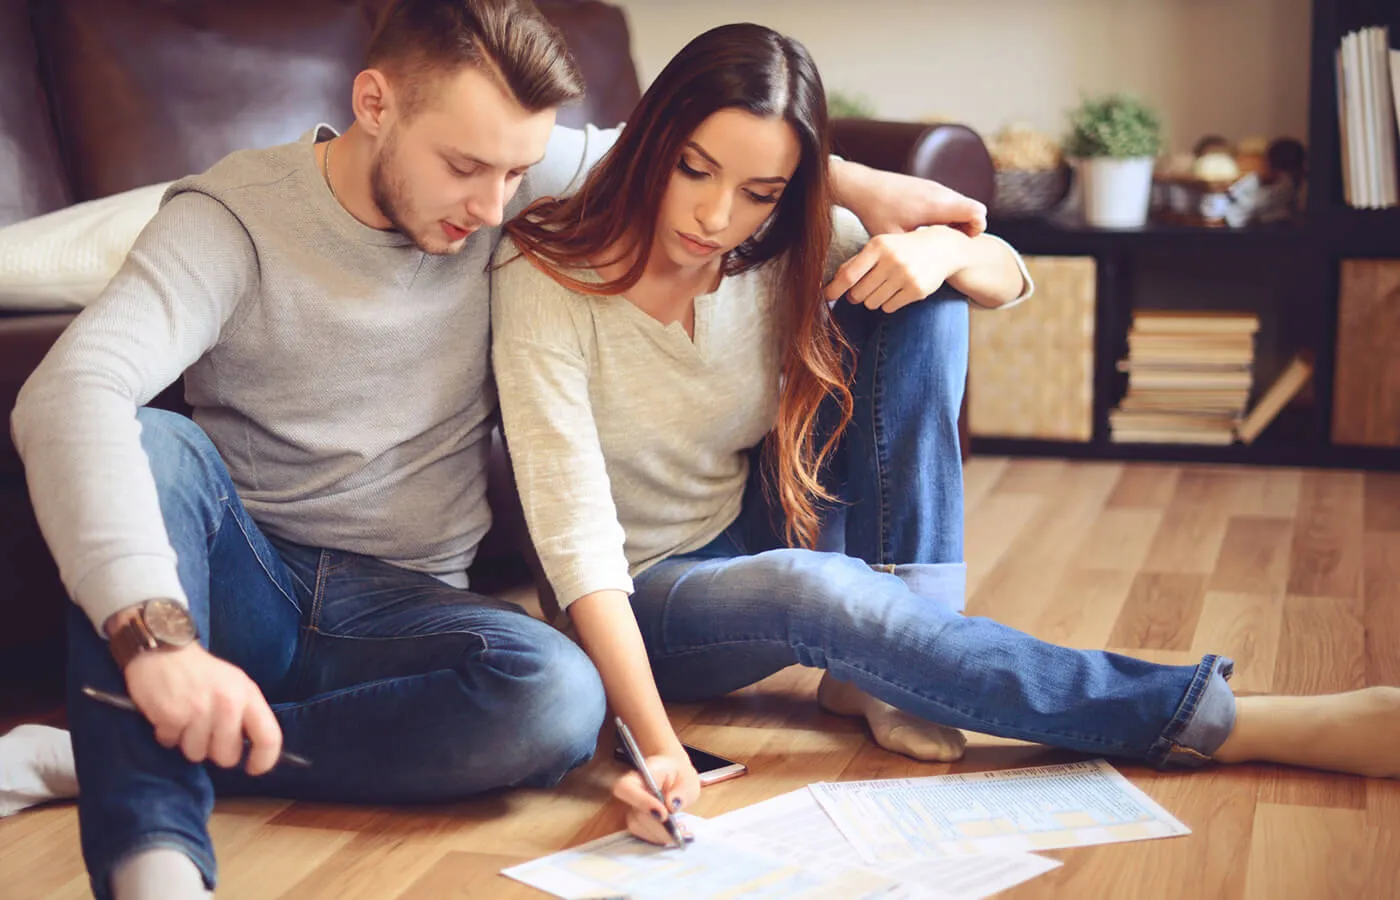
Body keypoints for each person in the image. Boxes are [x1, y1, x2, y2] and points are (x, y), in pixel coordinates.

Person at [3, 2, 991, 897]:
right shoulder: (228, 221)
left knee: (560, 697)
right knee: (150, 440)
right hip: (250, 577)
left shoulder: (506, 173)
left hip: (408, 605)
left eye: (516, 172)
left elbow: (661, 152)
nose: (491, 209)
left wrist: (854, 183)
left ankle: (120, 749)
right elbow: (71, 390)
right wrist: (155, 639)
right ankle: (155, 866)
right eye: (465, 168)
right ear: (375, 104)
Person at [491, 21, 1400, 848]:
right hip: (644, 598)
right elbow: (576, 544)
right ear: (652, 141)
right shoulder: (542, 277)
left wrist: (947, 252)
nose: (715, 218)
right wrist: (654, 750)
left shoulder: (770, 247)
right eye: (694, 169)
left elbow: (999, 271)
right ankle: (1226, 722)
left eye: (760, 191)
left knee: (923, 294)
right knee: (818, 593)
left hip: (758, 519)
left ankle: (892, 664)